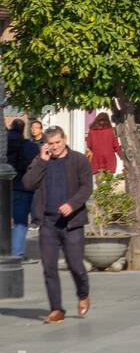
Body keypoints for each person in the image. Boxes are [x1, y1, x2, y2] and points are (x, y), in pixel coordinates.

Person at [21, 126, 93, 323]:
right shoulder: (40, 161)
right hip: (48, 222)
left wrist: (72, 204)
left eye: (57, 143)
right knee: (49, 267)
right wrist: (42, 162)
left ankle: (83, 293)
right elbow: (27, 184)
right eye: (50, 144)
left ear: (65, 140)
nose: (54, 147)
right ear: (46, 144)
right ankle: (56, 309)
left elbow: (87, 187)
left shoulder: (79, 160)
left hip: (72, 223)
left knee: (76, 265)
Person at [7, 119, 39, 260]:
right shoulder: (31, 146)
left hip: (4, 186)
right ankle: (17, 253)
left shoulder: (3, 144)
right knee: (20, 222)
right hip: (23, 187)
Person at [85, 112, 121, 176]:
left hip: (96, 160)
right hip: (109, 160)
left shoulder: (92, 131)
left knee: (99, 183)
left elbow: (89, 145)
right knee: (108, 183)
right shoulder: (111, 131)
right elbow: (116, 146)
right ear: (107, 120)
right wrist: (122, 156)